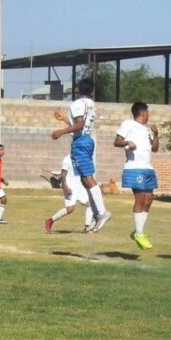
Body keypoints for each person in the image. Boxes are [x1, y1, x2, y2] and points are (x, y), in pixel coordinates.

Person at [51, 78, 111, 232]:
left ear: (78, 89)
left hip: (80, 143)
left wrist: (60, 132)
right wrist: (65, 119)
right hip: (86, 140)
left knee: (88, 179)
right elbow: (79, 125)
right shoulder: (91, 104)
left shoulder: (77, 103)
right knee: (85, 180)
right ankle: (96, 214)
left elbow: (79, 125)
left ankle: (101, 212)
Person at [114, 102, 159, 250]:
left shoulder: (147, 130)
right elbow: (117, 141)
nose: (149, 115)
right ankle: (139, 233)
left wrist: (156, 135)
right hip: (134, 168)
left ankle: (138, 231)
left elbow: (155, 148)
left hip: (148, 169)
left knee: (149, 199)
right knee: (140, 198)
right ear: (143, 113)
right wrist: (128, 142)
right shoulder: (128, 124)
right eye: (148, 112)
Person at [44, 155, 94, 233]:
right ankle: (50, 220)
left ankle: (87, 228)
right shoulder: (67, 159)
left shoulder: (81, 157)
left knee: (90, 204)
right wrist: (65, 187)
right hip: (70, 187)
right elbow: (63, 175)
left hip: (80, 187)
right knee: (70, 209)